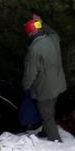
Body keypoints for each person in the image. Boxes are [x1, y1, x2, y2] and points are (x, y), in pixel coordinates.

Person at [22, 14, 67, 142]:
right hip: (58, 84)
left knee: (47, 115)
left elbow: (30, 73)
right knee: (49, 110)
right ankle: (45, 131)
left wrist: (26, 86)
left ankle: (55, 140)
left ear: (30, 34)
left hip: (45, 89)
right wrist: (41, 22)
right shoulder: (53, 39)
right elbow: (52, 32)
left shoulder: (34, 49)